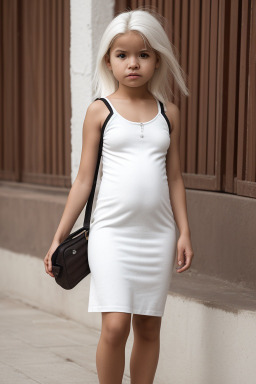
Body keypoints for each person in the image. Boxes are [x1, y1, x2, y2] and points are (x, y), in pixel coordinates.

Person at [44, 8, 194, 384]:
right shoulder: (100, 111)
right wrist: (59, 235)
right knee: (114, 328)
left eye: (143, 54)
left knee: (148, 329)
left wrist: (184, 232)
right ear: (108, 62)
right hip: (110, 234)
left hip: (157, 235)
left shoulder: (168, 113)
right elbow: (83, 180)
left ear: (157, 59)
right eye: (122, 55)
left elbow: (174, 177)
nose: (133, 63)